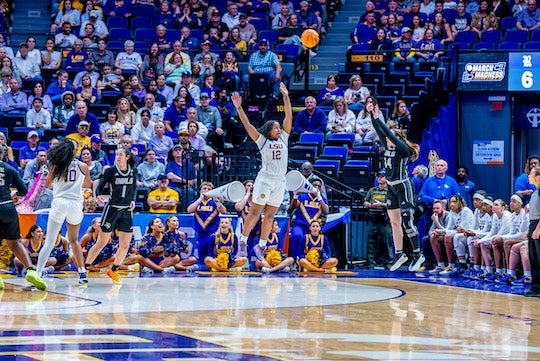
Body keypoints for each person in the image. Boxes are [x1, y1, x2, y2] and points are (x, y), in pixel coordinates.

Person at [231, 82, 292, 257]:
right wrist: (239, 108)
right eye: (276, 128)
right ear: (268, 130)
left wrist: (285, 96)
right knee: (256, 211)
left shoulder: (284, 139)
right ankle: (242, 241)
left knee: (270, 215)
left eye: (280, 128)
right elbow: (248, 125)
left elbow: (288, 115)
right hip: (265, 179)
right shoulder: (262, 141)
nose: (279, 130)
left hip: (280, 180)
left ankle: (262, 245)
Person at [371, 97, 424, 271]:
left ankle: (418, 254)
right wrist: (373, 114)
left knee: (407, 222)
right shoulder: (387, 148)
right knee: (394, 222)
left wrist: (380, 119)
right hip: (391, 187)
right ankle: (400, 254)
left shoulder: (403, 149)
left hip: (403, 186)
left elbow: (385, 130)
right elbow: (380, 130)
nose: (386, 138)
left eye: (390, 136)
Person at [33, 140, 92, 289]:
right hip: (75, 204)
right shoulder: (83, 166)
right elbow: (87, 185)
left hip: (59, 203)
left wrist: (60, 185)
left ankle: (38, 273)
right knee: (74, 240)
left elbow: (47, 185)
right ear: (74, 151)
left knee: (50, 241)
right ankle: (82, 273)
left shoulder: (56, 165)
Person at [84, 147, 137, 284]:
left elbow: (134, 188)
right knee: (101, 242)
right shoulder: (111, 171)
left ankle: (114, 270)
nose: (117, 156)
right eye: (116, 154)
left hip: (126, 210)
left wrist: (132, 200)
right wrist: (98, 196)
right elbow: (101, 185)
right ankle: (85, 268)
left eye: (120, 154)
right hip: (112, 209)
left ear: (127, 157)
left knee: (125, 245)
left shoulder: (133, 171)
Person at [0, 146, 47, 290]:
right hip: (8, 207)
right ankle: (31, 271)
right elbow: (24, 191)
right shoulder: (9, 168)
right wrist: (13, 195)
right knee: (15, 243)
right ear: (2, 154)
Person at [289, 177, 329, 263]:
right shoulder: (303, 196)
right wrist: (295, 196)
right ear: (310, 186)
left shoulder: (322, 199)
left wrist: (320, 198)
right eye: (315, 185)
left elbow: (326, 211)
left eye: (319, 186)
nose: (317, 187)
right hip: (300, 224)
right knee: (297, 236)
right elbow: (292, 207)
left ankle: (315, 260)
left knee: (318, 239)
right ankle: (292, 260)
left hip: (313, 227)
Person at [187, 181, 227, 264]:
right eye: (204, 188)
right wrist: (200, 198)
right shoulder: (196, 202)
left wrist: (218, 202)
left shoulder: (215, 202)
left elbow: (224, 212)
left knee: (212, 254)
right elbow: (190, 210)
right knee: (201, 255)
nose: (206, 190)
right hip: (201, 233)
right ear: (200, 191)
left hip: (213, 233)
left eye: (209, 189)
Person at [364, 171, 393, 269]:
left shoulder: (390, 191)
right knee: (370, 242)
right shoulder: (372, 190)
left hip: (384, 219)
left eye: (382, 176)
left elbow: (392, 204)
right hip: (373, 219)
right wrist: (367, 204)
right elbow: (365, 201)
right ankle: (370, 263)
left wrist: (381, 204)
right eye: (378, 176)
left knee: (387, 242)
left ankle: (389, 263)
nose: (379, 178)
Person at [525, 165, 540, 296]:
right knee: (533, 259)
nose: (528, 176)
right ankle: (535, 288)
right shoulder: (535, 191)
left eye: (531, 174)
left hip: (538, 225)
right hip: (533, 224)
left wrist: (538, 229)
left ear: (538, 177)